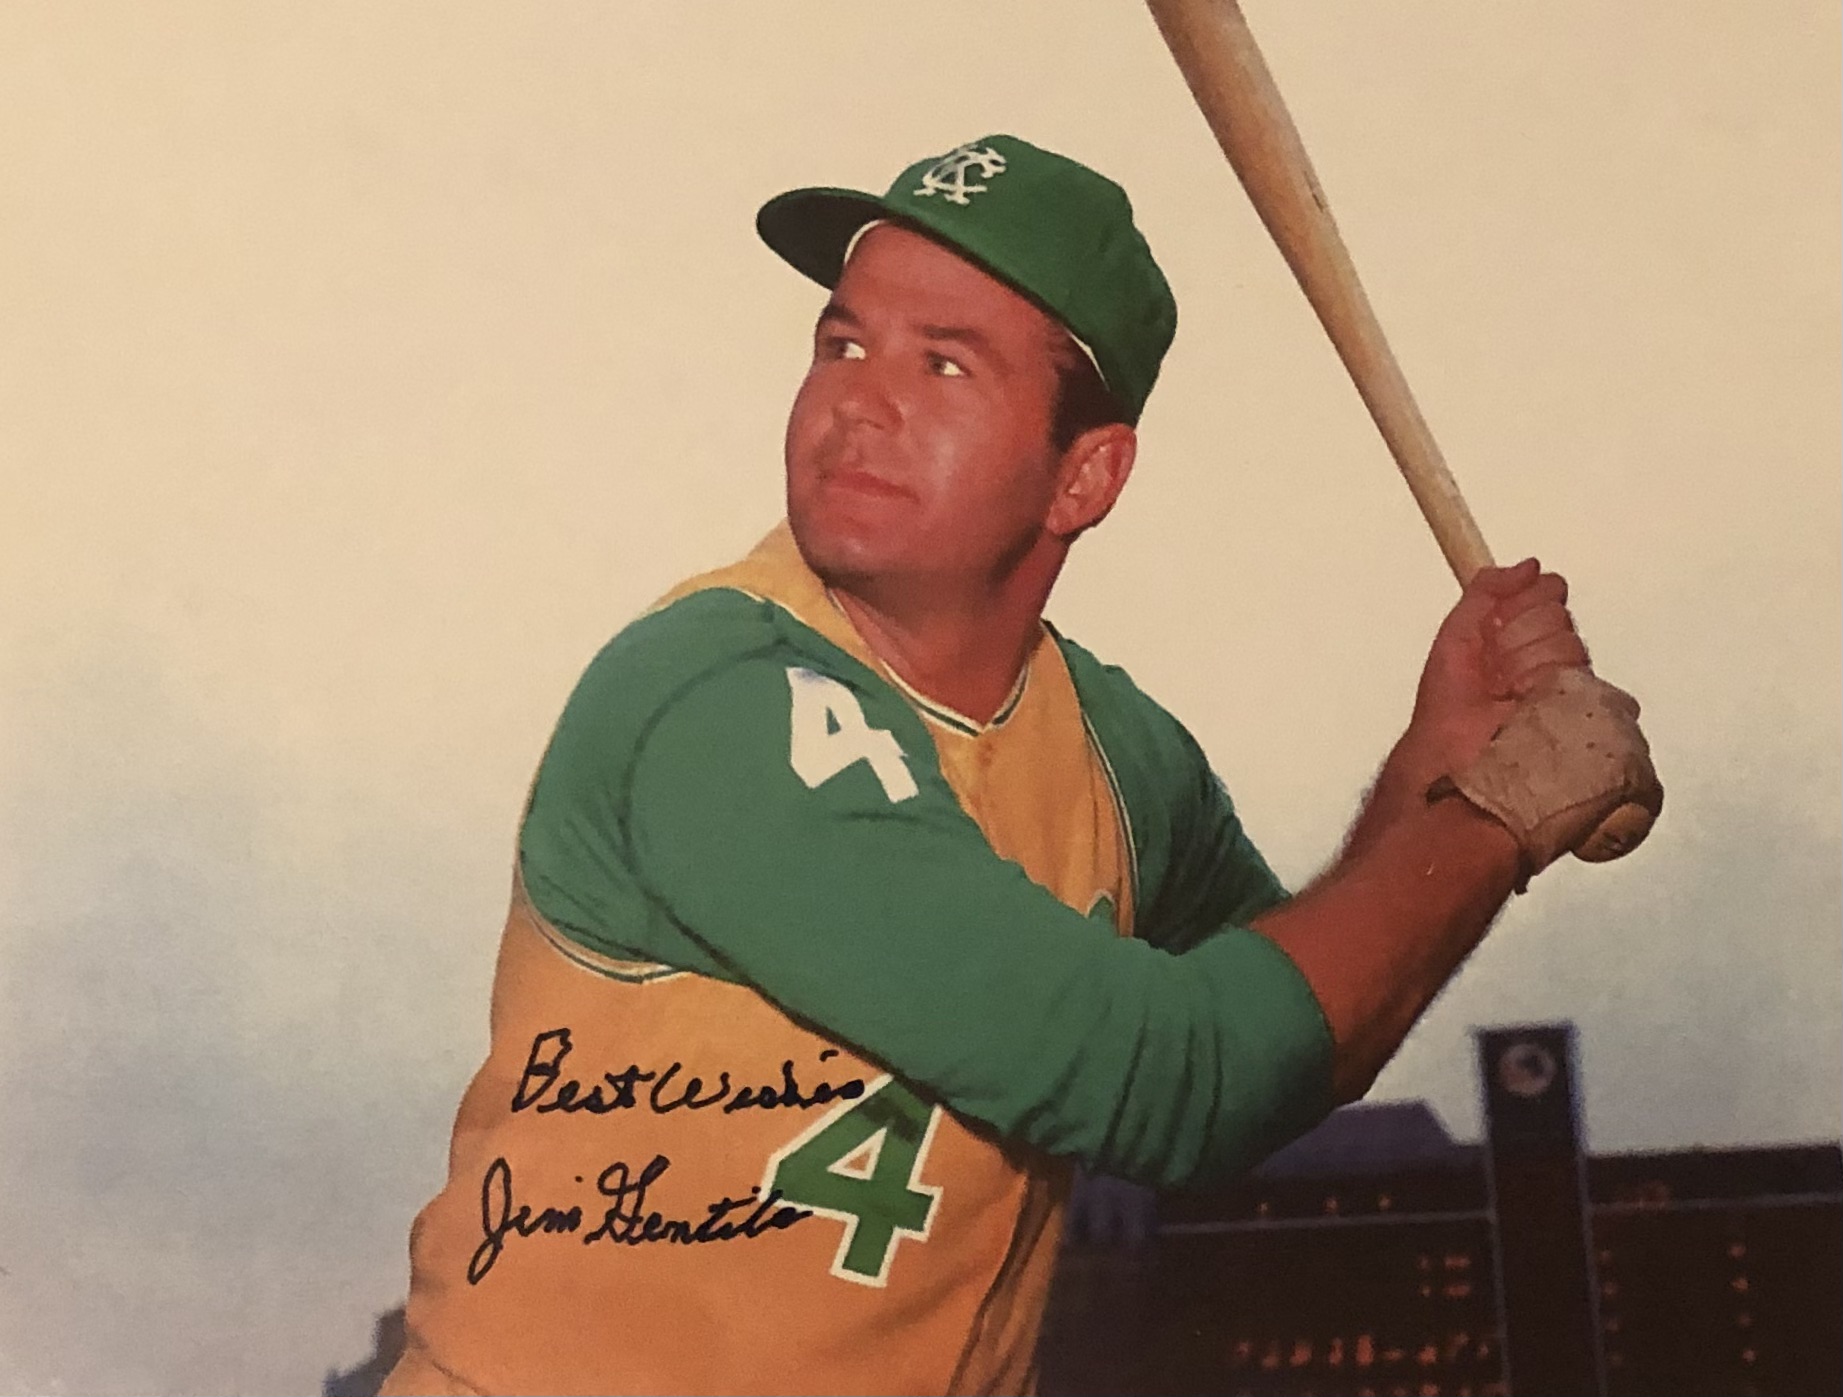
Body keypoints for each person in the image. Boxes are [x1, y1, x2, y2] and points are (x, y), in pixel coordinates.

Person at [380, 134, 1657, 1397]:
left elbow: (1293, 1017)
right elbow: (1179, 1079)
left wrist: (1438, 759)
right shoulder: (718, 698)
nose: (857, 398)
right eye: (843, 342)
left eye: (943, 362)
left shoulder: (1111, 751)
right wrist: (1494, 818)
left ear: (1084, 476)